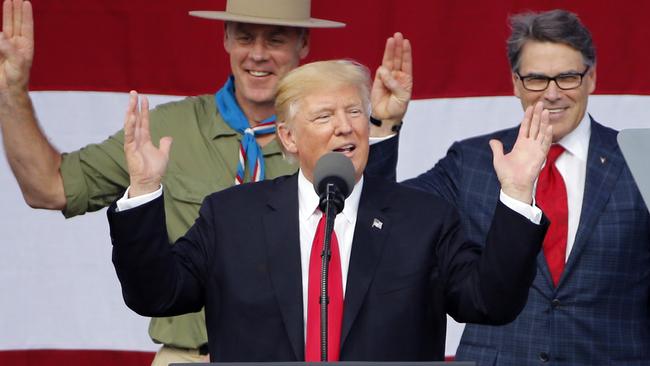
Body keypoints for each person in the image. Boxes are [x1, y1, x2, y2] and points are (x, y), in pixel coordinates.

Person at [0, 0, 411, 364]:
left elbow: (372, 235)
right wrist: (11, 92)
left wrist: (380, 125)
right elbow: (48, 187)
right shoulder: (168, 129)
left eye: (276, 39)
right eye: (245, 36)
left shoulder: (333, 139)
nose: (258, 54)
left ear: (303, 44)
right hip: (189, 359)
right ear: (226, 38)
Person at [108, 59, 551, 362]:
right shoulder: (230, 218)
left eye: (355, 112)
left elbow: (490, 303)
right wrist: (145, 188)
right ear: (288, 138)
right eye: (324, 117)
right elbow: (156, 294)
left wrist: (515, 193)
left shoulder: (424, 219)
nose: (345, 126)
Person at [402, 9, 650, 365]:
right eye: (536, 79)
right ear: (515, 83)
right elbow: (389, 212)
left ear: (591, 78)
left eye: (567, 77)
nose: (551, 94)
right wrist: (385, 127)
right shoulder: (473, 161)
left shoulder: (640, 159)